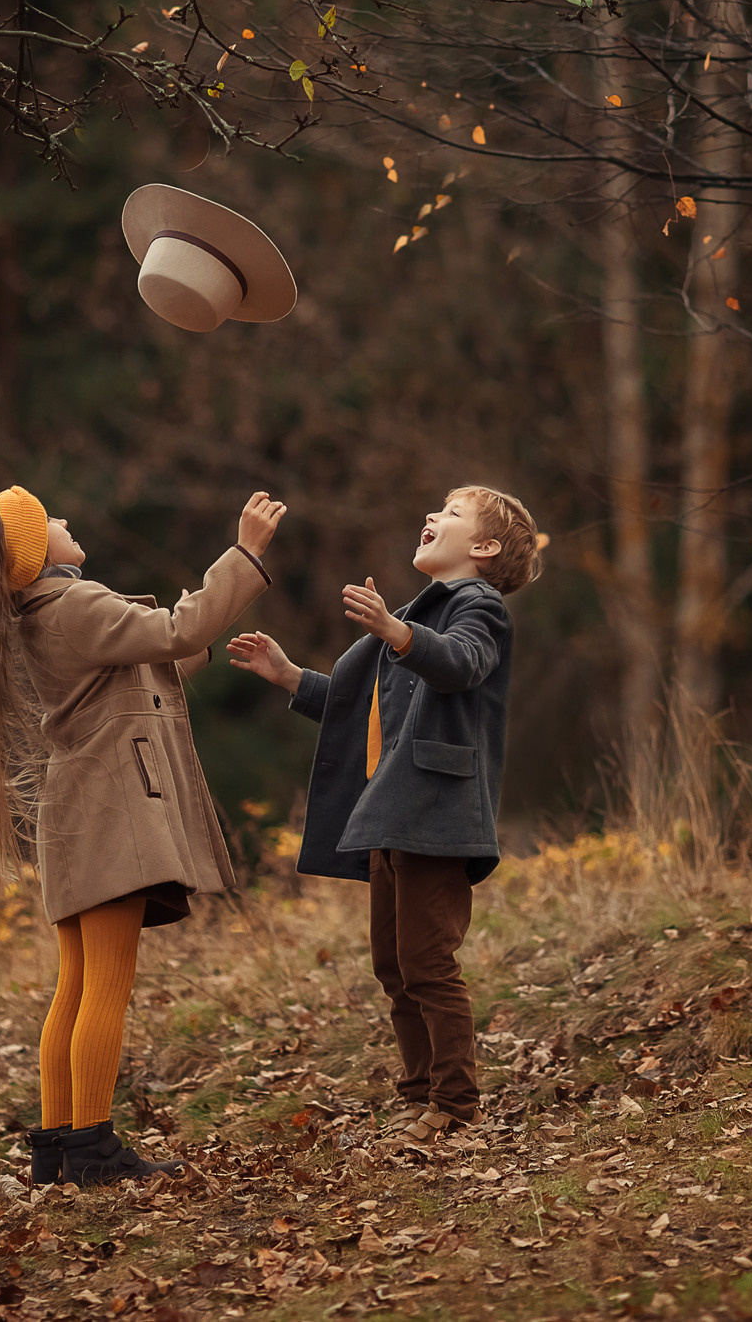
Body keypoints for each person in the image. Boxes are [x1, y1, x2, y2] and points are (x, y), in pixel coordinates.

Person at [0, 484, 285, 1187]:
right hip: (111, 812)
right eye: (51, 521)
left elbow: (153, 662)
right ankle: (93, 1146)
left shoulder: (46, 613)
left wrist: (202, 626)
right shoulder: (73, 601)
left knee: (74, 986)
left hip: (78, 814)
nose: (66, 520)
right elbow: (175, 633)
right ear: (32, 556)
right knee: (105, 988)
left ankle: (59, 1145)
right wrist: (244, 553)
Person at [227, 486, 543, 1147]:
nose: (431, 515)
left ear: (483, 548)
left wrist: (397, 633)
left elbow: (461, 665)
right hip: (395, 810)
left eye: (452, 514)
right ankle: (422, 1094)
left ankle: (455, 1105)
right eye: (436, 509)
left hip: (437, 812)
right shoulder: (414, 616)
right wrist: (291, 677)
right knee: (394, 967)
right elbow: (363, 706)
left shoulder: (476, 606)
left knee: (428, 961)